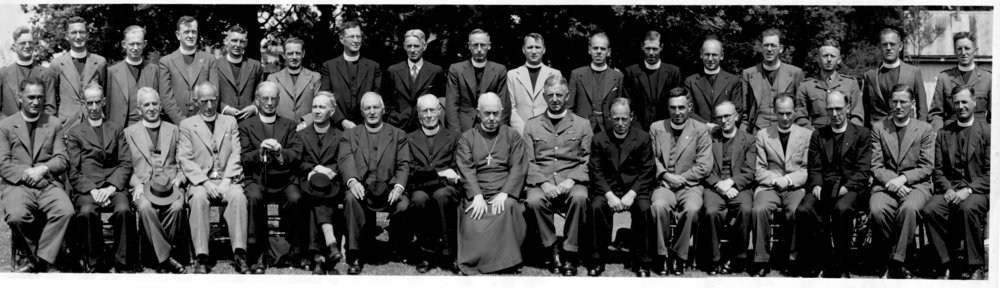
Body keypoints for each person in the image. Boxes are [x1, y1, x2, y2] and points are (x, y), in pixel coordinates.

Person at [0, 76, 73, 273]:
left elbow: (62, 159)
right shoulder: (5, 125)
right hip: (17, 185)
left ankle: (42, 258)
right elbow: (3, 163)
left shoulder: (54, 123)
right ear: (19, 97)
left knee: (65, 210)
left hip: (47, 184)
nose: (36, 102)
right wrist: (28, 174)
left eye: (40, 97)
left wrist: (44, 168)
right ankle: (30, 256)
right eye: (31, 97)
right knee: (16, 216)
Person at [523, 74, 593, 276]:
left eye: (559, 95)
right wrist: (543, 183)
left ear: (567, 96)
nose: (555, 99)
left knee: (580, 197)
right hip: (542, 181)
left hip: (572, 179)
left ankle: (570, 252)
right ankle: (552, 246)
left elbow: (587, 159)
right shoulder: (532, 125)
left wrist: (571, 180)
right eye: (551, 95)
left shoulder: (582, 124)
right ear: (544, 96)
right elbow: (528, 161)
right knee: (534, 200)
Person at [177, 82, 249, 274]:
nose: (209, 106)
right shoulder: (186, 125)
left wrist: (227, 180)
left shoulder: (230, 122)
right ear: (195, 101)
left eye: (213, 100)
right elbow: (185, 159)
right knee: (199, 198)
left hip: (227, 178)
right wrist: (206, 183)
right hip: (201, 181)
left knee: (238, 197)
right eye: (204, 101)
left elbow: (236, 153)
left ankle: (240, 253)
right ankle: (202, 255)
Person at [64, 83, 136, 273]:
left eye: (97, 102)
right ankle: (95, 263)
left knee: (123, 210)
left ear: (104, 102)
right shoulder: (74, 133)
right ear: (83, 105)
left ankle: (123, 263)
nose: (94, 108)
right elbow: (73, 170)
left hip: (113, 187)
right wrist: (93, 190)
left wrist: (111, 188)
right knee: (87, 211)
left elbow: (125, 163)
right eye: (90, 103)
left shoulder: (115, 128)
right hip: (88, 189)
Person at [338, 92, 411, 275]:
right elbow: (345, 160)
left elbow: (403, 165)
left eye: (375, 107)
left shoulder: (398, 134)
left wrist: (398, 187)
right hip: (362, 187)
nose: (372, 112)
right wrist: (353, 181)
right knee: (350, 198)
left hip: (388, 188)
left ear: (383, 110)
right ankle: (354, 253)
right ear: (362, 112)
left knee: (403, 205)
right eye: (367, 108)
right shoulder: (349, 135)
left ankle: (395, 245)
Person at [454, 92, 528, 275]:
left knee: (508, 207)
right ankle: (475, 262)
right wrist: (477, 196)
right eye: (487, 113)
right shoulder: (467, 138)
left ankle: (506, 262)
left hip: (504, 190)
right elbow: (465, 168)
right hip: (478, 190)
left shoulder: (512, 136)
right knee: (473, 213)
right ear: (478, 113)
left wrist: (504, 194)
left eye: (496, 113)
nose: (492, 118)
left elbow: (518, 167)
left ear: (502, 112)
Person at [921, 86, 989, 280]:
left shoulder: (987, 131)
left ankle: (975, 265)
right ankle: (946, 264)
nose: (961, 106)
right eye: (957, 102)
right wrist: (948, 189)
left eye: (965, 102)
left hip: (977, 190)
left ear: (974, 102)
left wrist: (969, 189)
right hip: (950, 189)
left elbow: (990, 172)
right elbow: (938, 170)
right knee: (930, 209)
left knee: (967, 208)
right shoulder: (943, 133)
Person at [801, 90, 872, 278]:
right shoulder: (818, 135)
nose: (834, 114)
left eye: (839, 109)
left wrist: (846, 188)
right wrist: (816, 184)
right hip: (824, 186)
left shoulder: (862, 134)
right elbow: (814, 168)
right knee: (805, 209)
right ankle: (820, 260)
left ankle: (841, 263)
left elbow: (863, 171)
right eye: (830, 109)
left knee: (842, 209)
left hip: (852, 187)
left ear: (848, 107)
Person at [868, 84, 935, 279]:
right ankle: (902, 257)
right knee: (877, 209)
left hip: (916, 185)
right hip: (885, 185)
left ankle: (895, 263)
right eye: (894, 101)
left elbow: (926, 166)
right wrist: (894, 183)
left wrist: (904, 179)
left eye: (903, 102)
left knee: (908, 209)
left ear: (912, 104)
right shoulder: (879, 128)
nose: (898, 106)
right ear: (889, 103)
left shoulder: (924, 129)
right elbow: (876, 165)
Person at [586, 97, 656, 277]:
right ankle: (597, 259)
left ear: (631, 117)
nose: (620, 123)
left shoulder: (643, 137)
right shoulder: (599, 139)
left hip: (634, 189)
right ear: (609, 117)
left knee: (644, 208)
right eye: (616, 118)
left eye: (624, 118)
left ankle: (642, 261)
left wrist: (632, 194)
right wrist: (609, 195)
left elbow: (648, 170)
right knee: (596, 206)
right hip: (607, 189)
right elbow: (596, 171)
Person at [239, 81, 302, 274]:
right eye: (264, 98)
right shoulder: (245, 126)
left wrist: (281, 152)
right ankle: (256, 252)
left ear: (278, 100)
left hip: (283, 179)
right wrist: (260, 152)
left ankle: (293, 249)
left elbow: (297, 153)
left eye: (273, 98)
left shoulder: (289, 124)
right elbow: (242, 157)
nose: (269, 102)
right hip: (257, 178)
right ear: (257, 100)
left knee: (295, 198)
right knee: (254, 198)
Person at [648, 87, 713, 276]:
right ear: (668, 108)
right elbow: (651, 159)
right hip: (664, 184)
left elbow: (704, 166)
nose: (677, 112)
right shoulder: (657, 127)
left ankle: (678, 255)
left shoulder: (700, 130)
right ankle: (661, 255)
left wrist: (681, 179)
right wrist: (666, 176)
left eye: (682, 107)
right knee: (658, 206)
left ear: (689, 107)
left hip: (690, 186)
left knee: (692, 210)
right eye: (673, 108)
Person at [749, 93, 813, 277]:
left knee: (796, 211)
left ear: (795, 112)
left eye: (789, 113)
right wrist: (776, 180)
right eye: (780, 113)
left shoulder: (806, 135)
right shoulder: (762, 135)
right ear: (774, 112)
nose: (785, 118)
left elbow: (807, 169)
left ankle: (793, 260)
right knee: (759, 209)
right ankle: (761, 260)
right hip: (769, 186)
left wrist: (789, 180)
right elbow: (759, 169)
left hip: (794, 186)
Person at [126, 87, 187, 274]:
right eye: (146, 105)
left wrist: (179, 178)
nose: (151, 108)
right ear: (139, 110)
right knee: (145, 207)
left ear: (161, 106)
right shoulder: (128, 133)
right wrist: (136, 184)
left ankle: (155, 255)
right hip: (143, 185)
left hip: (170, 185)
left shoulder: (174, 130)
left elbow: (183, 161)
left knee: (177, 207)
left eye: (154, 103)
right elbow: (125, 167)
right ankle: (167, 258)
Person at [289, 92, 344, 275]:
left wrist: (329, 172)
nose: (317, 111)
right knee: (315, 195)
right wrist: (317, 168)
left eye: (322, 107)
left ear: (332, 110)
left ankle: (317, 255)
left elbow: (342, 160)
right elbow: (297, 161)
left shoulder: (340, 136)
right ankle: (329, 244)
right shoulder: (301, 134)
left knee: (318, 198)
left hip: (332, 184)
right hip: (307, 181)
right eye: (314, 107)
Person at [406, 95, 461, 273]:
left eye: (432, 110)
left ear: (439, 111)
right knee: (419, 199)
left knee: (441, 195)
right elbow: (411, 171)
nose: (429, 115)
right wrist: (440, 173)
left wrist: (434, 176)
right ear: (418, 114)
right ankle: (426, 254)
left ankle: (449, 253)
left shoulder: (453, 137)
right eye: (424, 111)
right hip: (419, 188)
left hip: (446, 189)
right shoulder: (409, 139)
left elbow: (456, 169)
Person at [698, 100, 754, 276]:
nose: (723, 120)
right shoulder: (708, 139)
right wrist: (718, 184)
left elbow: (750, 170)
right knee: (711, 210)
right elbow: (703, 167)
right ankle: (714, 259)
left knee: (745, 209)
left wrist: (731, 183)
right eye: (719, 117)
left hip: (739, 186)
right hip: (714, 186)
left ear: (736, 116)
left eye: (727, 116)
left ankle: (737, 258)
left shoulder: (749, 139)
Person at [319, 21, 382, 130]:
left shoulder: (374, 67)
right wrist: (341, 121)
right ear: (341, 39)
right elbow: (326, 98)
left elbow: (378, 97)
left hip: (367, 128)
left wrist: (365, 123)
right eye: (351, 37)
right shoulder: (329, 67)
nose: (356, 40)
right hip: (336, 129)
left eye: (358, 37)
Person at [445, 29, 509, 134]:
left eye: (483, 45)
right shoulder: (456, 70)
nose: (479, 49)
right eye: (475, 45)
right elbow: (452, 106)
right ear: (469, 46)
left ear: (489, 46)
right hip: (463, 128)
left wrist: (499, 134)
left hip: (491, 126)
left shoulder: (499, 70)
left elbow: (503, 107)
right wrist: (456, 135)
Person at [106, 25, 170, 130]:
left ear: (144, 44)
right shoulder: (112, 72)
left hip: (149, 128)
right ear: (124, 44)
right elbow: (107, 108)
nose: (135, 48)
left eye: (138, 44)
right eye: (131, 44)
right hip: (121, 130)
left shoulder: (154, 70)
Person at [158, 16, 219, 124]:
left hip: (204, 122)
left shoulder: (209, 60)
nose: (191, 35)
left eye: (193, 32)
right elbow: (166, 97)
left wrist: (199, 121)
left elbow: (214, 92)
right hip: (175, 124)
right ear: (178, 35)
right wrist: (182, 123)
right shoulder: (166, 62)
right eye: (186, 32)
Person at [741, 28, 804, 132]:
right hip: (757, 131)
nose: (769, 49)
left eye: (773, 45)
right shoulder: (748, 74)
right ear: (761, 48)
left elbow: (801, 109)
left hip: (787, 131)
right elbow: (744, 111)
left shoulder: (795, 73)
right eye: (766, 45)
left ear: (781, 48)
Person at [862, 28, 928, 127]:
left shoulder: (914, 72)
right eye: (884, 44)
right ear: (880, 47)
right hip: (877, 134)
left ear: (900, 46)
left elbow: (922, 108)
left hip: (907, 132)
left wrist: (921, 131)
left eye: (892, 44)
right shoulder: (870, 76)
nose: (888, 48)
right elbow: (865, 109)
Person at [385, 29, 446, 133]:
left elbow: (440, 100)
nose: (412, 50)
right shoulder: (393, 71)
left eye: (416, 46)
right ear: (404, 46)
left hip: (425, 128)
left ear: (424, 46)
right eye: (409, 46)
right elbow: (386, 100)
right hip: (397, 127)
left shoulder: (435, 71)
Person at [794, 39, 864, 130]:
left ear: (839, 60)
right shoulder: (806, 86)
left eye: (833, 56)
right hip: (816, 137)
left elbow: (857, 117)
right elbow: (800, 118)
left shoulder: (850, 84)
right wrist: (814, 136)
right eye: (825, 56)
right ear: (818, 59)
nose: (829, 59)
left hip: (845, 138)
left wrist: (847, 135)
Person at [928, 32, 991, 129]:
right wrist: (940, 135)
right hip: (951, 134)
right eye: (959, 49)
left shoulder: (988, 78)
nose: (963, 52)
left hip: (979, 135)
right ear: (955, 51)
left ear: (975, 50)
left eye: (967, 48)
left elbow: (994, 116)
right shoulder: (944, 78)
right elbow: (936, 114)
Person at [51, 16, 107, 124]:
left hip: (94, 124)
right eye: (73, 33)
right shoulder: (57, 64)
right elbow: (52, 99)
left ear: (88, 35)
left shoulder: (100, 62)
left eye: (82, 32)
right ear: (66, 36)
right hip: (67, 126)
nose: (78, 37)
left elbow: (105, 94)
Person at [622, 30, 682, 129]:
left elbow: (677, 102)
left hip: (666, 128)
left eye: (655, 49)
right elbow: (628, 105)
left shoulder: (673, 72)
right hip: (638, 129)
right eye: (647, 49)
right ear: (642, 47)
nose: (651, 53)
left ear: (661, 47)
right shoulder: (631, 72)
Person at [567, 32, 623, 133]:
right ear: (589, 50)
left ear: (608, 52)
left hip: (609, 130)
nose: (598, 52)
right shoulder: (577, 74)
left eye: (602, 49)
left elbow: (621, 106)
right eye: (595, 48)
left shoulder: (618, 76)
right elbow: (569, 107)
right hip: (582, 130)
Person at [508, 33, 561, 134]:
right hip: (520, 133)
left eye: (537, 47)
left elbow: (557, 105)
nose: (534, 51)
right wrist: (524, 130)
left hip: (547, 132)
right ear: (523, 49)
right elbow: (511, 108)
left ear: (544, 50)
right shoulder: (512, 75)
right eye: (530, 47)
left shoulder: (555, 74)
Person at [684, 37, 742, 130]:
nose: (710, 59)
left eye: (714, 55)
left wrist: (721, 126)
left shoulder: (733, 80)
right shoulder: (691, 81)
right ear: (701, 55)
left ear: (721, 56)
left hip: (724, 133)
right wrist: (706, 125)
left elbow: (737, 109)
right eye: (707, 54)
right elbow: (688, 110)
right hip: (699, 132)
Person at [0, 26, 54, 118]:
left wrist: (42, 130)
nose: (27, 46)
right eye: (22, 43)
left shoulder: (46, 73)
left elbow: (50, 108)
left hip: (40, 128)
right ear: (14, 47)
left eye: (30, 42)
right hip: (10, 130)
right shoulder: (3, 74)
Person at [266, 37, 321, 123]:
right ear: (284, 55)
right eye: (290, 53)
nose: (294, 57)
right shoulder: (272, 79)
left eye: (298, 53)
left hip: (307, 129)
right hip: (281, 130)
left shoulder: (315, 77)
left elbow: (320, 106)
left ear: (303, 54)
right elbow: (268, 106)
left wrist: (306, 122)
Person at [214, 25, 263, 122]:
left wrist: (254, 107)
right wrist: (225, 109)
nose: (238, 44)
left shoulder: (256, 66)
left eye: (242, 41)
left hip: (250, 122)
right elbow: (210, 94)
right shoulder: (215, 65)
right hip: (223, 121)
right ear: (226, 41)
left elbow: (261, 93)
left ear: (246, 43)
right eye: (234, 40)